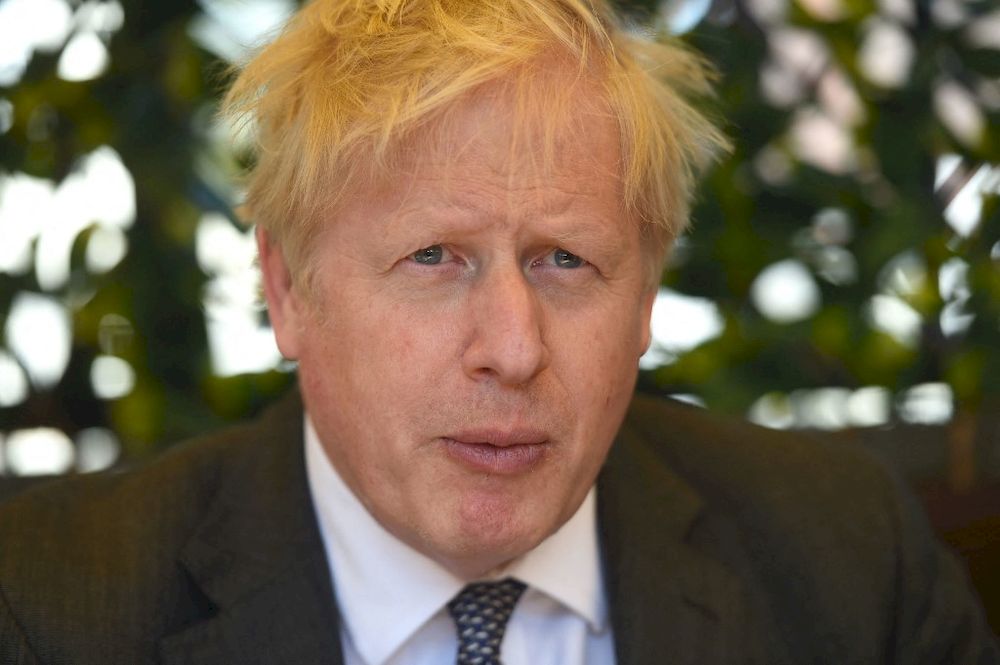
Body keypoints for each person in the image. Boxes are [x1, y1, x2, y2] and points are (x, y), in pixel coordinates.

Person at [1, 0, 996, 663]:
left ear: (645, 292)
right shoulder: (53, 606)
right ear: (288, 288)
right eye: (433, 257)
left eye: (568, 260)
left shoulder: (847, 561)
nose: (513, 349)